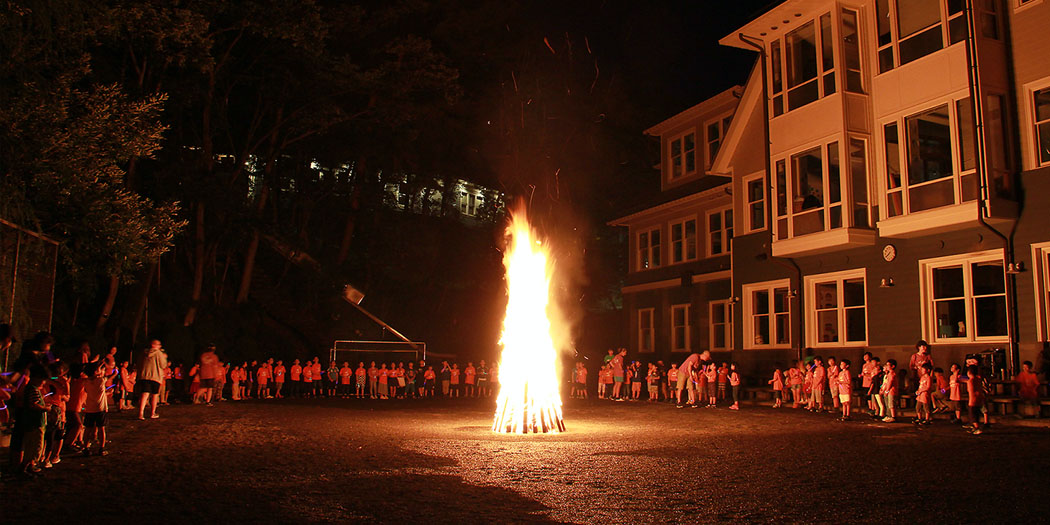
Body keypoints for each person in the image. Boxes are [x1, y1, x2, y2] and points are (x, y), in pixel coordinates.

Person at [82, 362, 109, 456]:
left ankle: (86, 448)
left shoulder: (86, 382)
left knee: (88, 429)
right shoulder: (101, 380)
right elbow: (108, 376)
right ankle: (101, 448)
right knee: (101, 429)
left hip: (89, 408)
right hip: (100, 409)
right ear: (95, 372)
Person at [137, 340, 168, 420]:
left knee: (145, 394)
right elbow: (163, 365)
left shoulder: (144, 353)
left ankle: (141, 413)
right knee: (155, 395)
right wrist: (164, 357)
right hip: (156, 376)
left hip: (145, 376)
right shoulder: (159, 353)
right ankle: (152, 413)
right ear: (156, 345)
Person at [966, 364, 987, 435]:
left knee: (972, 415)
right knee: (976, 414)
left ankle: (977, 428)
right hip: (979, 399)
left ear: (969, 372)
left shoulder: (970, 381)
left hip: (972, 400)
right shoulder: (978, 379)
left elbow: (971, 391)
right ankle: (975, 427)